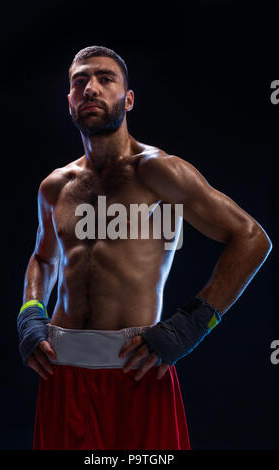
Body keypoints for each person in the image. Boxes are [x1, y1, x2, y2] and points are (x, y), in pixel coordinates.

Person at [17, 46, 272, 450]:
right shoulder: (55, 187)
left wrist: (190, 325)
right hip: (63, 373)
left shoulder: (158, 171)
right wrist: (30, 315)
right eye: (79, 82)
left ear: (128, 99)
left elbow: (252, 239)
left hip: (137, 370)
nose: (90, 89)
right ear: (69, 100)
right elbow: (43, 258)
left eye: (105, 79)